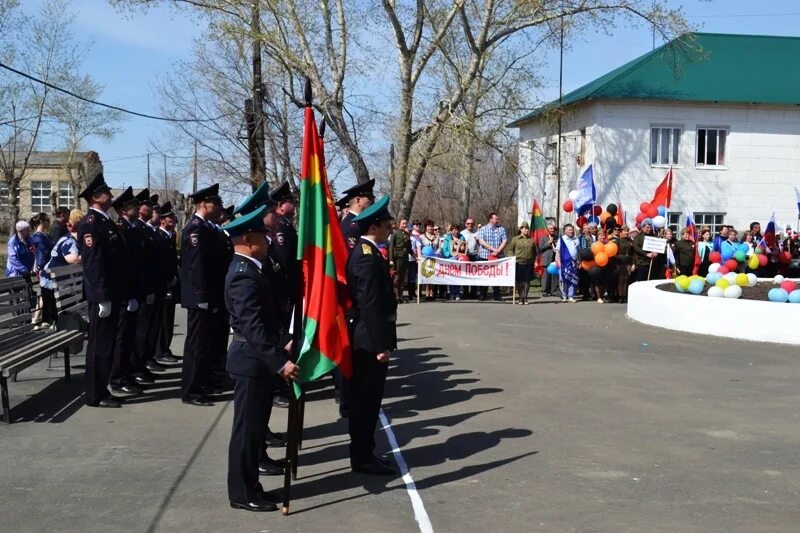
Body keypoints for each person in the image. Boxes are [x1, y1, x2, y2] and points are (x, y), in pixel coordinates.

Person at [222, 205, 299, 512]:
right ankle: (242, 492)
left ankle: (251, 485)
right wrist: (280, 363)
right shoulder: (243, 275)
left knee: (254, 432)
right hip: (250, 361)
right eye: (264, 238)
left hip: (257, 360)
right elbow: (252, 328)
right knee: (246, 432)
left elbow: (265, 319)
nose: (269, 243)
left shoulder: (252, 269)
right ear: (249, 240)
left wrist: (285, 340)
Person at [346, 195, 398, 476]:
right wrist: (381, 345)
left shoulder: (371, 252)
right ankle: (362, 457)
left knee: (370, 401)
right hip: (368, 340)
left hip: (371, 335)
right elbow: (370, 305)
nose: (390, 227)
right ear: (374, 225)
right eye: (387, 223)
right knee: (365, 402)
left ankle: (366, 452)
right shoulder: (365, 257)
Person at [78, 173, 126, 408]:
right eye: (106, 191)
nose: (110, 195)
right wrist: (101, 297)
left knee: (107, 345)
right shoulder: (90, 224)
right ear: (96, 197)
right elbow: (94, 262)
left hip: (112, 292)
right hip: (102, 295)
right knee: (99, 346)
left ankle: (102, 389)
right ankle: (95, 394)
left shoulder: (105, 221)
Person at [180, 183, 224, 406]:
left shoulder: (206, 227)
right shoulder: (195, 228)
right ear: (203, 204)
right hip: (200, 297)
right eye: (214, 203)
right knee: (196, 345)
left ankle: (202, 383)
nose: (218, 207)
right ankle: (191, 390)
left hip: (209, 295)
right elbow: (196, 266)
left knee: (205, 344)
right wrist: (201, 295)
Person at [109, 187, 148, 397]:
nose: (137, 208)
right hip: (126, 293)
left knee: (129, 336)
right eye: (132, 206)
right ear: (124, 210)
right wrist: (129, 294)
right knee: (122, 338)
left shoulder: (132, 228)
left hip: (135, 290)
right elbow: (124, 267)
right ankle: (117, 378)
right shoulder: (121, 230)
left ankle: (126, 373)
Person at [154, 202, 180, 365]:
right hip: (163, 284)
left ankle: (165, 348)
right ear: (162, 220)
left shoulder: (170, 236)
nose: (173, 219)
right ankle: (160, 350)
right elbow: (160, 262)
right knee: (163, 320)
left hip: (171, 282)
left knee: (168, 318)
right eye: (169, 217)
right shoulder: (160, 236)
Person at [40, 209, 83, 295]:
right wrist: (91, 253)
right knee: (48, 305)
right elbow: (75, 259)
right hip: (51, 279)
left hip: (62, 279)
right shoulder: (69, 241)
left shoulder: (78, 240)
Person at [30, 213, 55, 327]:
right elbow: (45, 253)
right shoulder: (37, 237)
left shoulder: (45, 235)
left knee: (49, 295)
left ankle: (47, 319)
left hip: (50, 267)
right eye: (46, 220)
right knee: (46, 294)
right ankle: (46, 319)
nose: (48, 222)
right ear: (41, 221)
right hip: (44, 268)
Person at [476, 213, 508, 301]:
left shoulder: (501, 229)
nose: (498, 220)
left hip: (497, 256)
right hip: (485, 256)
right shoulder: (483, 229)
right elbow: (481, 241)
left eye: (498, 219)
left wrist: (498, 250)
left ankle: (497, 295)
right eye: (496, 219)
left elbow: (505, 240)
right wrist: (493, 249)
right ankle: (483, 294)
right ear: (490, 219)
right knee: (484, 276)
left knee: (496, 276)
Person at [338, 179, 375, 252]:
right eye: (369, 199)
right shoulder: (349, 226)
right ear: (358, 200)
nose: (371, 202)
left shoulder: (362, 222)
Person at [507, 222, 535, 304]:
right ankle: (520, 297)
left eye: (527, 228)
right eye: (524, 228)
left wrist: (534, 261)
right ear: (521, 229)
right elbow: (510, 249)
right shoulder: (515, 239)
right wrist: (512, 257)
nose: (526, 230)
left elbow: (535, 251)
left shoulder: (531, 239)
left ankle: (525, 297)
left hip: (528, 263)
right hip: (518, 263)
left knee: (527, 281)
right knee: (519, 281)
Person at [439, 223, 465, 301]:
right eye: (454, 230)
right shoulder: (447, 238)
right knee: (451, 277)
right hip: (450, 260)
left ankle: (457, 293)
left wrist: (461, 254)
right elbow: (444, 250)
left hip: (459, 260)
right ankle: (451, 293)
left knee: (458, 277)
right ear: (451, 231)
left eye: (457, 230)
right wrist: (451, 254)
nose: (456, 232)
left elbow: (464, 248)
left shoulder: (462, 237)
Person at [388, 218, 411, 303]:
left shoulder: (407, 234)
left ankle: (401, 296)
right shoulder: (395, 234)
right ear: (399, 224)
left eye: (406, 224)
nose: (404, 225)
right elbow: (391, 247)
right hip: (397, 258)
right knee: (397, 278)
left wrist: (415, 256)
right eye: (403, 224)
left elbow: (409, 247)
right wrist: (391, 259)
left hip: (405, 258)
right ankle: (396, 296)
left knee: (403, 278)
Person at [556, 223, 579, 303]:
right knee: (563, 279)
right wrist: (558, 262)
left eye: (572, 230)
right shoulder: (561, 239)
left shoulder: (576, 239)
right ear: (565, 231)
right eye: (569, 230)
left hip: (573, 263)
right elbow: (557, 252)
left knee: (572, 279)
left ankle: (571, 296)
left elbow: (578, 251)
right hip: (563, 263)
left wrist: (578, 260)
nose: (571, 231)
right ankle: (564, 296)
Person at [418, 220, 440, 300]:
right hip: (425, 258)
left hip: (434, 258)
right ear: (426, 227)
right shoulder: (422, 237)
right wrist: (420, 256)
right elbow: (419, 247)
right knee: (427, 275)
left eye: (431, 226)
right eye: (428, 226)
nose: (430, 228)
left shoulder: (437, 237)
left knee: (433, 275)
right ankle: (427, 293)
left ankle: (432, 293)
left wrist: (437, 253)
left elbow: (439, 247)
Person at [538, 223, 559, 297]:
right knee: (545, 277)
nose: (552, 230)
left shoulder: (557, 237)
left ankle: (553, 290)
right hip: (546, 259)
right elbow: (540, 248)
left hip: (555, 259)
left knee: (554, 276)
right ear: (547, 229)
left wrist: (556, 244)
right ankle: (545, 291)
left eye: (553, 229)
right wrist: (548, 243)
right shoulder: (543, 238)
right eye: (551, 229)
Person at [614, 226, 634, 303]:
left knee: (626, 279)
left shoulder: (631, 241)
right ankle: (620, 296)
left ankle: (624, 295)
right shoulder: (618, 241)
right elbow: (615, 252)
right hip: (621, 261)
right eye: (624, 231)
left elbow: (634, 253)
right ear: (621, 232)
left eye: (627, 231)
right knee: (621, 279)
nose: (626, 232)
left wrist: (633, 264)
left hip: (629, 260)